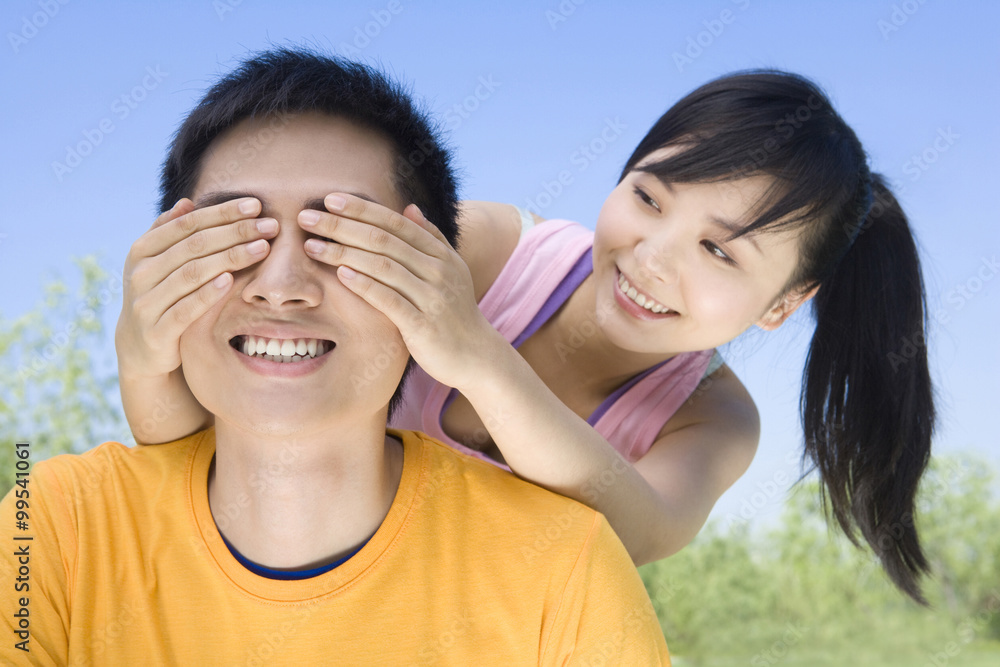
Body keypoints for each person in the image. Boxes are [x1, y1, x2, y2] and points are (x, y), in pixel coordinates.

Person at [117, 70, 934, 602]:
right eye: (648, 198)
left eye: (718, 250)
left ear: (783, 304)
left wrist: (473, 351)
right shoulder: (479, 250)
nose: (651, 258)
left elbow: (639, 531)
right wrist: (142, 341)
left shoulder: (711, 421)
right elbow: (209, 443)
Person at [0, 48, 669, 664]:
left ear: (431, 285)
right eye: (237, 234)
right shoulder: (51, 526)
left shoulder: (564, 568)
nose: (281, 286)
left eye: (337, 237)